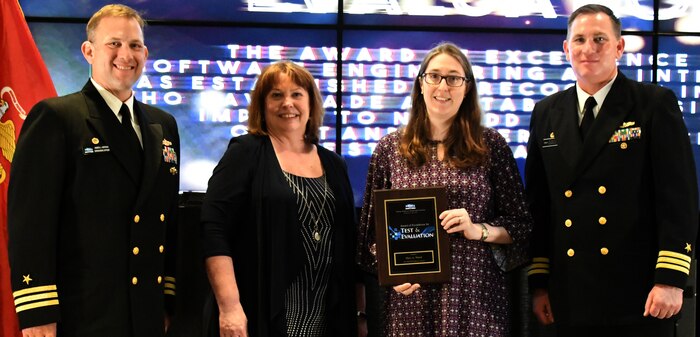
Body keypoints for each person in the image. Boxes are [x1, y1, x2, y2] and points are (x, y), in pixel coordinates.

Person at [7, 4, 180, 337]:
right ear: (88, 51)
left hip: (145, 312)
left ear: (145, 53)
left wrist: (165, 300)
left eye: (134, 45)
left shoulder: (164, 125)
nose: (125, 54)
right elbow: (31, 222)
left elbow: (166, 220)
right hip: (82, 313)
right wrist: (37, 311)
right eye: (113, 43)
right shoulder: (57, 118)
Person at [525, 4, 698, 337]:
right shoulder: (546, 112)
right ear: (566, 49)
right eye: (579, 40)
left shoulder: (652, 103)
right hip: (569, 296)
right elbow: (539, 206)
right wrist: (539, 283)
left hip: (639, 296)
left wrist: (671, 280)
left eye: (600, 39)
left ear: (619, 47)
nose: (588, 49)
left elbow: (680, 200)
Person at [356, 42, 532, 336]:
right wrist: (391, 272)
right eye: (434, 76)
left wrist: (479, 229)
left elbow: (522, 227)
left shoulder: (492, 146)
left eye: (454, 78)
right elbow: (369, 238)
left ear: (467, 88)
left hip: (476, 299)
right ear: (420, 84)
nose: (443, 86)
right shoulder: (389, 149)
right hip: (409, 304)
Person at [200, 61, 356, 337]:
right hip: (259, 315)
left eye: (297, 94)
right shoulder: (245, 153)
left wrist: (361, 312)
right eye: (276, 95)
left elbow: (349, 243)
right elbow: (214, 230)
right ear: (262, 105)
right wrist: (230, 307)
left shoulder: (334, 164)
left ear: (311, 103)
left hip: (326, 317)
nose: (288, 103)